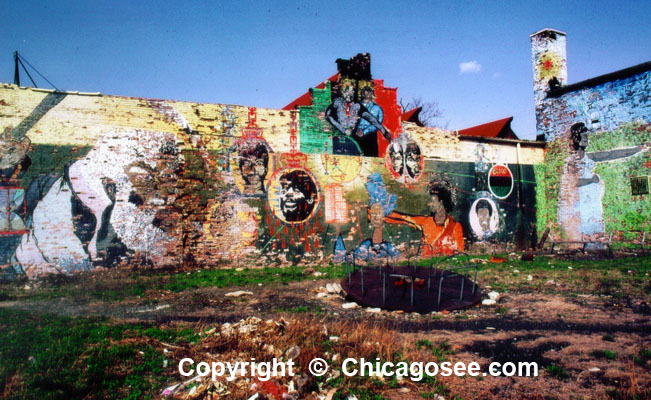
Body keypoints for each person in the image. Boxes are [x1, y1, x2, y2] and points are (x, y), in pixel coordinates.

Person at [385, 183, 464, 256]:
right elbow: (402, 218)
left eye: (432, 201)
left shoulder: (455, 226)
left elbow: (461, 253)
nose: (429, 204)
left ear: (441, 203)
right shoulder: (425, 222)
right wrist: (380, 214)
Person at [325, 80, 391, 157]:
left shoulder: (358, 106)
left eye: (352, 91)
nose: (350, 94)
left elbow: (372, 119)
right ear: (343, 92)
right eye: (347, 91)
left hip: (352, 142)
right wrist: (342, 129)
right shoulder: (337, 103)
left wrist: (384, 132)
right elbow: (328, 115)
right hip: (337, 139)